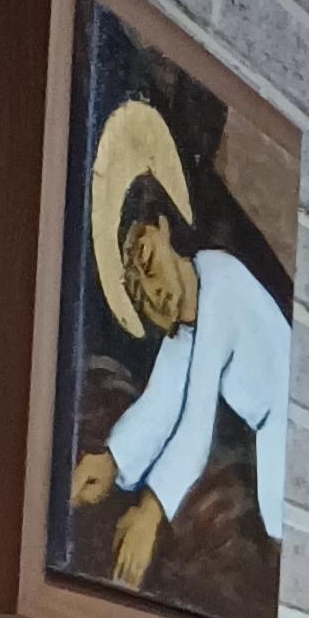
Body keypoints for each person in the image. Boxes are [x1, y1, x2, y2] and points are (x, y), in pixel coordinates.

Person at [71, 173, 291, 593]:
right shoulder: (190, 321)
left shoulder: (221, 285)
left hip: (282, 435)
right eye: (137, 291)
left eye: (147, 260)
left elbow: (195, 423)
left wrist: (150, 513)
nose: (153, 294)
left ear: (165, 228)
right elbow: (162, 402)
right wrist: (110, 460)